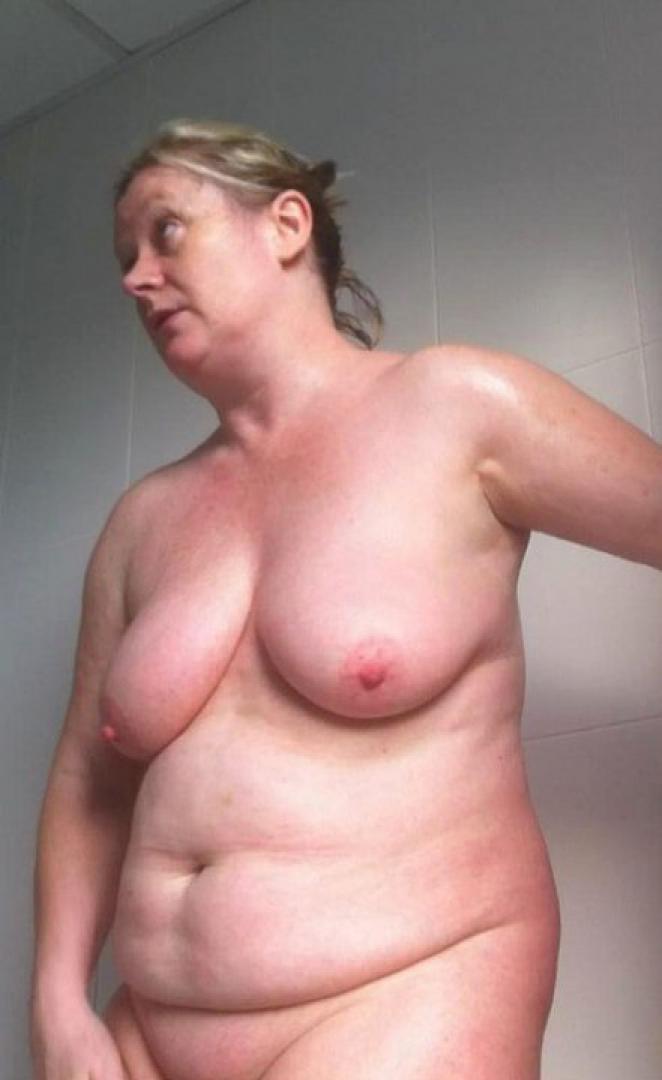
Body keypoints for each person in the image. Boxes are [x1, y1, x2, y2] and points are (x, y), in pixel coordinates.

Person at [30, 118, 662, 1080]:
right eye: (125, 258)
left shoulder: (456, 406)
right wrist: (57, 1001)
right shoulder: (140, 522)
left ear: (286, 226)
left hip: (405, 995)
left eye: (166, 232)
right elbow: (89, 780)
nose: (136, 279)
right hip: (142, 1033)